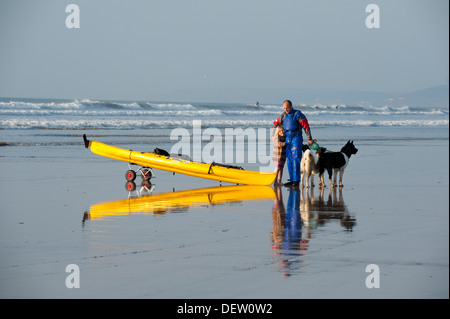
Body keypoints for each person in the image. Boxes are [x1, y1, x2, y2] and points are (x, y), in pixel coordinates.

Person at [279, 100, 314, 188]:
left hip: (296, 138)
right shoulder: (283, 115)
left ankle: (297, 180)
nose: (286, 109)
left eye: (287, 108)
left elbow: (306, 126)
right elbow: (275, 124)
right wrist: (279, 133)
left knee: (296, 158)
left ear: (291, 106)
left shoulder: (298, 114)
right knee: (289, 158)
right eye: (284, 108)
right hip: (287, 139)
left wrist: (309, 138)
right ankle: (292, 180)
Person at [272, 119, 286, 186]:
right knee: (277, 168)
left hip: (282, 157)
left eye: (283, 131)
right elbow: (278, 143)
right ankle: (275, 181)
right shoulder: (277, 138)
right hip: (277, 157)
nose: (282, 132)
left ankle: (280, 181)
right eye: (280, 131)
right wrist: (284, 144)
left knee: (281, 169)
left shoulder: (285, 138)